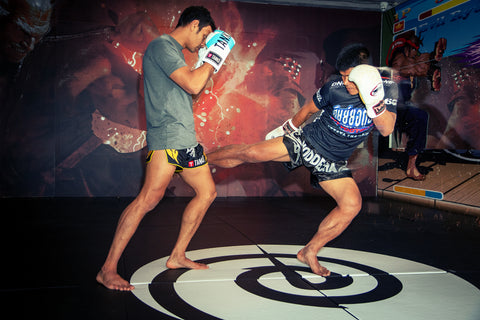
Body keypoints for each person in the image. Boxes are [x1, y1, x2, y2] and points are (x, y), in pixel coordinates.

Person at [208, 44, 397, 276]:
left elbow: (387, 130)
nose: (346, 82)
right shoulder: (335, 87)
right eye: (344, 76)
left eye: (351, 78)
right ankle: (200, 159)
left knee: (351, 205)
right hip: (309, 141)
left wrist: (373, 99)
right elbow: (307, 110)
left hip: (333, 161)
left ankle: (309, 251)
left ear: (365, 73)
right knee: (251, 153)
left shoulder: (386, 89)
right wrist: (286, 128)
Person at [97, 6, 235, 291]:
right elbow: (195, 85)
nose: (205, 43)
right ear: (194, 24)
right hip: (168, 138)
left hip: (186, 139)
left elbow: (187, 95)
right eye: (206, 35)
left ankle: (177, 255)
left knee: (207, 193)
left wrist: (204, 62)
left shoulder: (177, 55)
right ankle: (108, 269)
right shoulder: (162, 46)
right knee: (147, 199)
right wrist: (213, 57)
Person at [386, 34, 446, 180]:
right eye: (414, 49)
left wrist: (431, 66)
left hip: (400, 109)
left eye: (417, 49)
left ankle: (411, 167)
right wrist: (430, 62)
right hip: (386, 108)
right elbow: (410, 68)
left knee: (420, 116)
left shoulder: (409, 60)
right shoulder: (399, 58)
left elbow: (415, 67)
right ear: (407, 47)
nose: (415, 52)